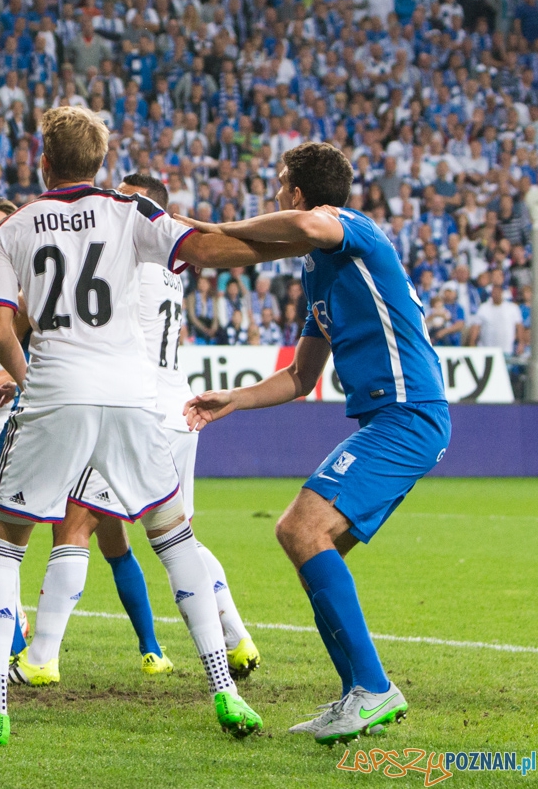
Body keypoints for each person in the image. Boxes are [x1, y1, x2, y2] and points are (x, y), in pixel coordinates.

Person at [0, 106, 281, 747]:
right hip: (133, 396)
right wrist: (285, 241)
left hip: (57, 390)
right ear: (101, 161)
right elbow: (203, 247)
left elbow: (0, 327)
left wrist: (27, 376)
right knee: (173, 535)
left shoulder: (16, 227)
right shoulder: (131, 210)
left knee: (2, 541)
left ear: (42, 159)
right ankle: (224, 691)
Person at [183, 142, 449, 744]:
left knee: (299, 528)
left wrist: (219, 227)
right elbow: (302, 377)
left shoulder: (354, 229)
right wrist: (234, 398)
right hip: (393, 419)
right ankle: (360, 692)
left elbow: (306, 225)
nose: (277, 194)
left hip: (409, 415)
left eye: (280, 185)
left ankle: (375, 689)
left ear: (299, 193)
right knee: (312, 548)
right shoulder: (319, 273)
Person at [10, 174, 259, 687]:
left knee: (73, 525)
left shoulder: (127, 250)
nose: (114, 204)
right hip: (179, 408)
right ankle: (236, 638)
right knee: (180, 534)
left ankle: (39, 658)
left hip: (135, 409)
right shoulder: (171, 265)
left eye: (125, 198)